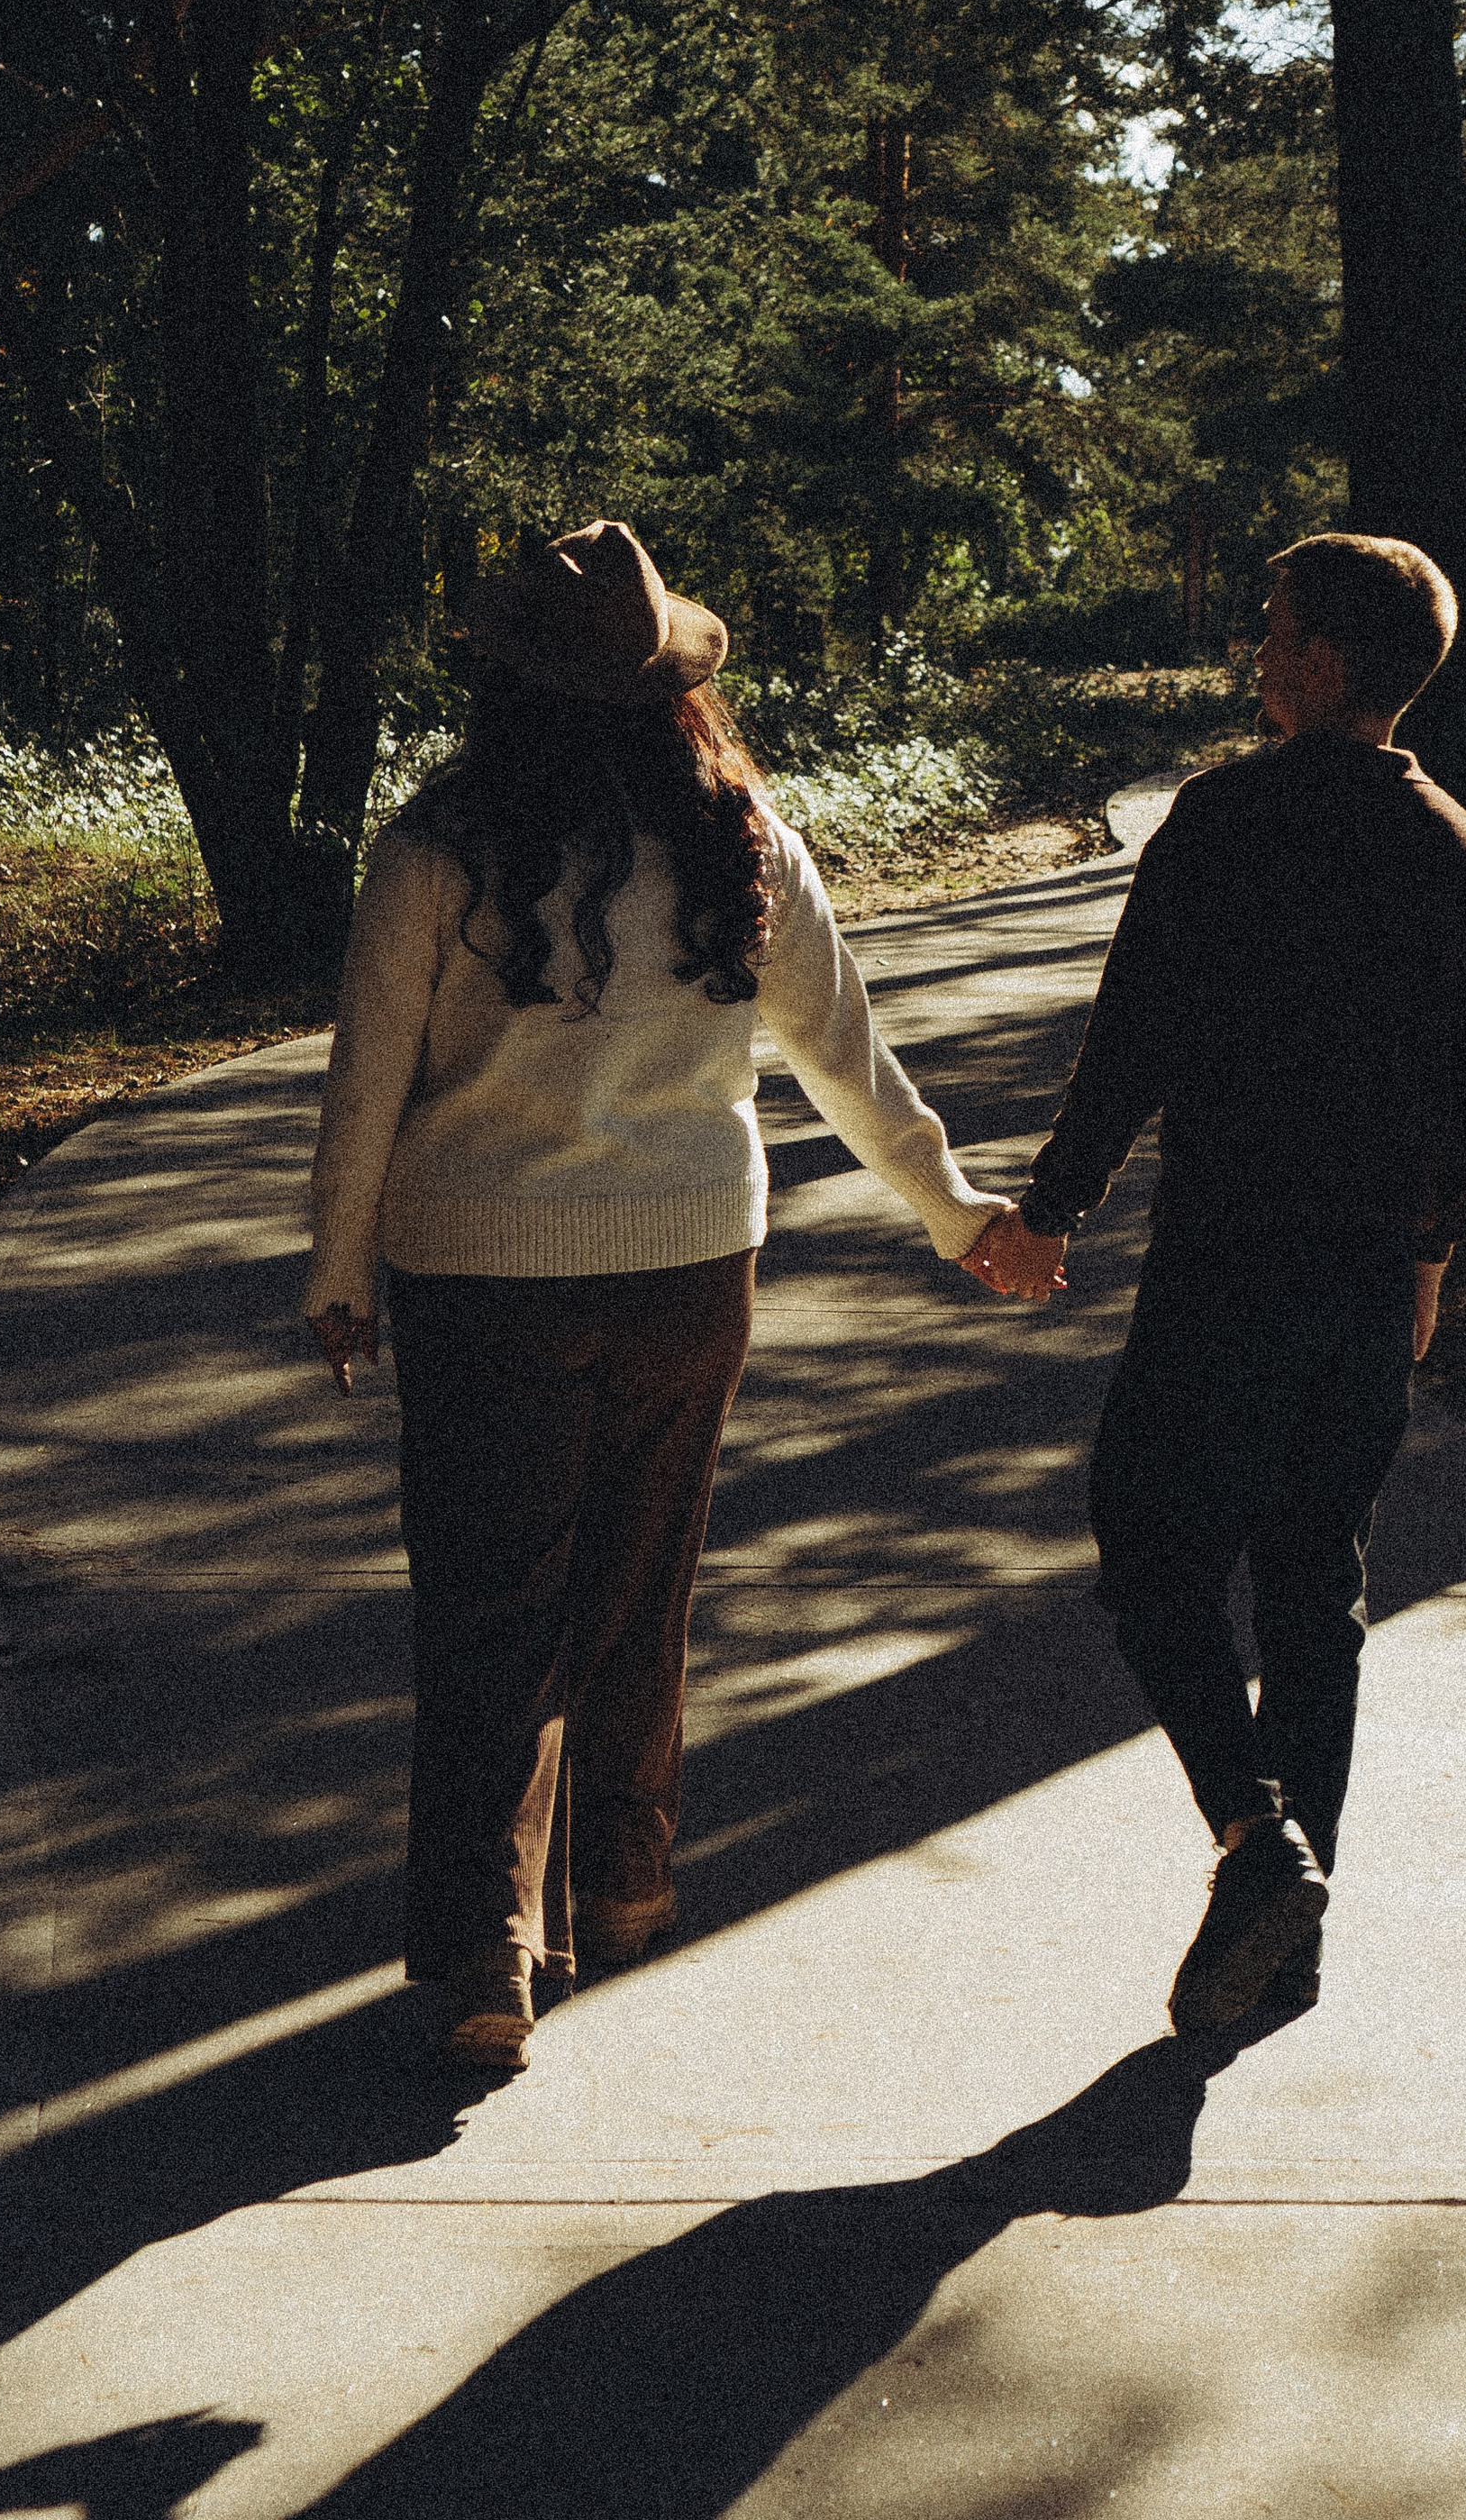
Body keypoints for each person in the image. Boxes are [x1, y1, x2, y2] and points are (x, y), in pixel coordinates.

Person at [304, 521, 1009, 2073]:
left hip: (482, 1276)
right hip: (692, 1269)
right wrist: (957, 1213)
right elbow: (846, 1054)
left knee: (494, 1603)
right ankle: (624, 1889)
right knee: (643, 1582)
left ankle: (493, 1950)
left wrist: (340, 1272)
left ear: (503, 687)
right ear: (670, 688)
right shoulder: (739, 840)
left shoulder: (436, 851)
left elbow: (365, 1087)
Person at [970, 532, 1466, 2033]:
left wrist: (1052, 1208)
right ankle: (1297, 1932)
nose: (1255, 654)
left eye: (1272, 630)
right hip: (1359, 1276)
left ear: (1326, 663)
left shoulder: (1222, 821)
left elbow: (1133, 1035)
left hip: (1227, 1263)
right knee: (1312, 1591)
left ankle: (1256, 1838)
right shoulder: (1458, 849)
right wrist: (1429, 1255)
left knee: (1147, 1550)